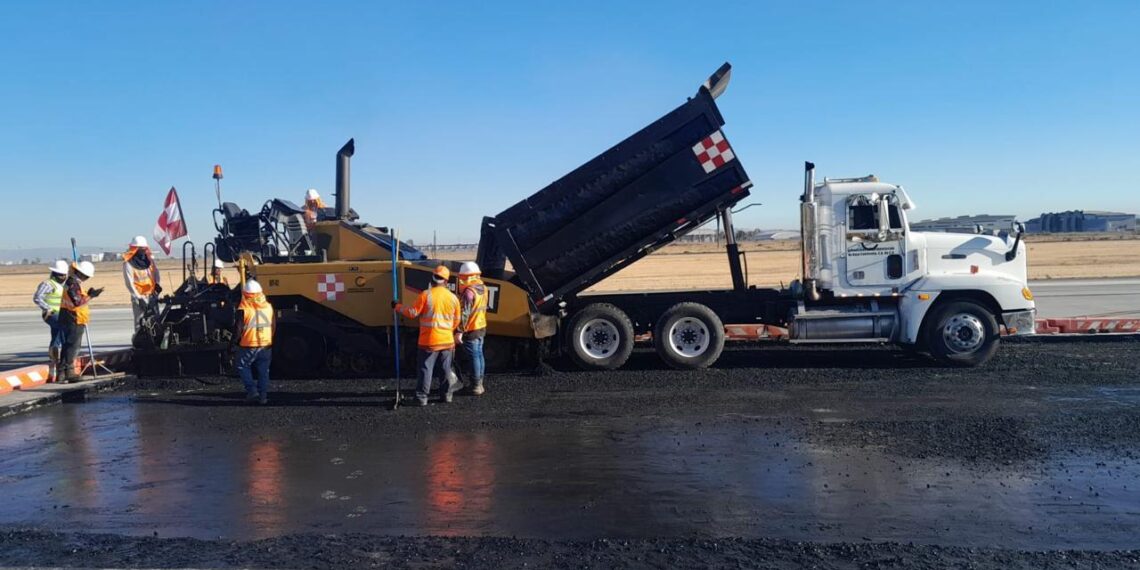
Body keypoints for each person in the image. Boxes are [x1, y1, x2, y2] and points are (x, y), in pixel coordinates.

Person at [393, 265, 461, 406]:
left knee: (426, 369)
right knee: (446, 369)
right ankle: (446, 395)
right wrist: (448, 332)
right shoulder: (454, 298)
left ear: (432, 279)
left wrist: (397, 306)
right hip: (447, 341)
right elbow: (457, 321)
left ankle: (422, 398)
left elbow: (412, 313)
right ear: (446, 282)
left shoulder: (426, 295)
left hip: (429, 341)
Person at [58, 261, 103, 383]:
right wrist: (92, 296)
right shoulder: (73, 284)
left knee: (67, 345)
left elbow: (77, 297)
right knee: (73, 346)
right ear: (83, 275)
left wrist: (87, 294)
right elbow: (78, 302)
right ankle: (69, 372)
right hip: (74, 318)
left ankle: (62, 373)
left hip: (67, 316)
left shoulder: (72, 282)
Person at [236, 279, 275, 405]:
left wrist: (233, 345)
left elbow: (238, 329)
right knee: (264, 371)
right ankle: (263, 397)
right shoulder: (268, 307)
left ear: (245, 293)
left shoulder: (243, 309)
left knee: (242, 365)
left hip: (248, 344)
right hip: (266, 345)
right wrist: (268, 339)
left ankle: (252, 391)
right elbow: (273, 325)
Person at [32, 260, 69, 382]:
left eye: (64, 275)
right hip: (51, 314)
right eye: (61, 275)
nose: (63, 277)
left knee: (57, 334)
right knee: (63, 332)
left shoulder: (63, 285)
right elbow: (37, 297)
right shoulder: (48, 284)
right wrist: (47, 308)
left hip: (62, 314)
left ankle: (54, 359)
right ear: (54, 273)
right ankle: (61, 360)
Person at [456, 261, 489, 396]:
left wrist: (459, 331)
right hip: (481, 326)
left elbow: (465, 314)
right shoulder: (483, 288)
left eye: (462, 277)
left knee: (474, 356)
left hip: (472, 328)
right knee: (479, 355)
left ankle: (475, 386)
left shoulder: (469, 293)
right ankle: (479, 384)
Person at [123, 236, 161, 330]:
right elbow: (129, 283)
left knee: (155, 319)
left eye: (144, 249)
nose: (143, 252)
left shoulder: (149, 261)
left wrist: (157, 285)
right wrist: (139, 298)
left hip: (152, 295)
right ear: (135, 249)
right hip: (139, 297)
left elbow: (156, 273)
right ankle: (139, 342)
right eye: (141, 250)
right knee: (139, 322)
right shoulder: (128, 264)